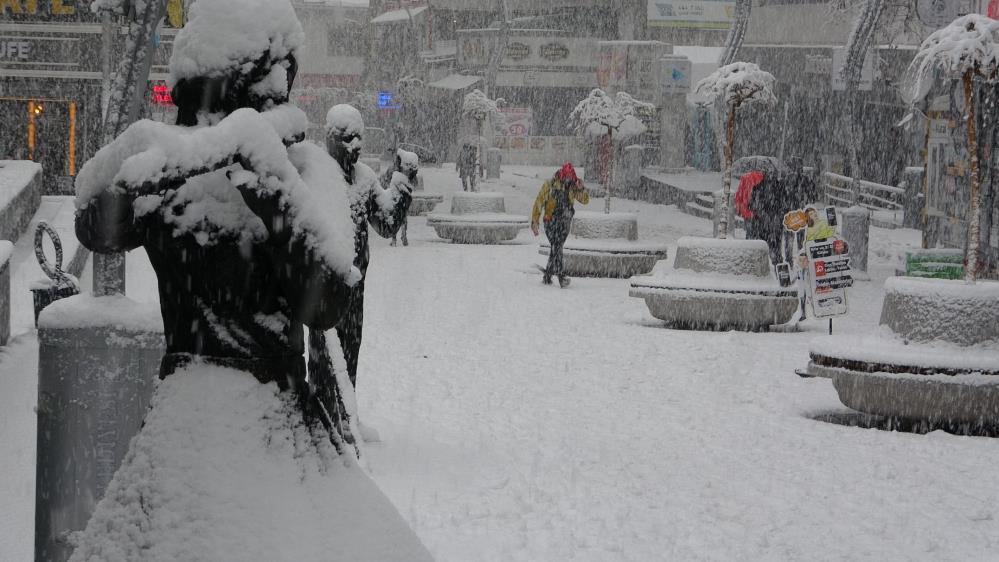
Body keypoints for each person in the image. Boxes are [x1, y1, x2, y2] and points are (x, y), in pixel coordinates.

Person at [75, 3, 354, 407]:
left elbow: (328, 305)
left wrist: (276, 192)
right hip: (194, 406)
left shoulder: (300, 168)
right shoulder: (170, 163)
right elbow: (94, 230)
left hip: (263, 409)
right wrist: (130, 161)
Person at [324, 104, 412, 390]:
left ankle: (348, 410)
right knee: (325, 364)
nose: (356, 146)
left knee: (350, 357)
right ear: (331, 139)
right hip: (323, 291)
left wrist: (402, 183)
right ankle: (325, 411)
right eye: (348, 139)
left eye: (359, 138)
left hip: (355, 290)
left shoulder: (365, 178)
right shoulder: (318, 175)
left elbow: (386, 225)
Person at [531, 163, 589, 288]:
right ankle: (561, 276)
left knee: (556, 247)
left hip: (565, 222)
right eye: (566, 177)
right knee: (557, 246)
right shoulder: (550, 184)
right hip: (550, 221)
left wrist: (581, 189)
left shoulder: (573, 186)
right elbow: (539, 202)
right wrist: (535, 221)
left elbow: (585, 200)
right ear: (562, 175)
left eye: (570, 177)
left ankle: (547, 276)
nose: (568, 180)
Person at [383, 149, 420, 247]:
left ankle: (395, 238)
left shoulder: (394, 169)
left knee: (395, 217)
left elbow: (387, 181)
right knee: (403, 217)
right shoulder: (409, 170)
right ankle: (403, 236)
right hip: (404, 198)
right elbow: (414, 184)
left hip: (397, 197)